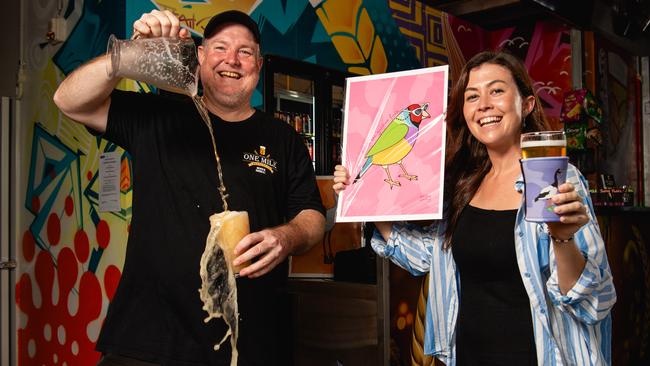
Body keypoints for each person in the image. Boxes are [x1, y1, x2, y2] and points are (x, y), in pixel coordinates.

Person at [54, 9, 325, 366]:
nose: (232, 60)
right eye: (220, 48)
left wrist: (286, 236)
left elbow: (312, 215)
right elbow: (68, 101)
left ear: (258, 64)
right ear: (199, 56)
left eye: (245, 51)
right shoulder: (158, 116)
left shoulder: (283, 139)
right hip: (148, 340)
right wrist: (126, 56)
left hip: (247, 343)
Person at [333, 51, 615, 365]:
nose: (483, 104)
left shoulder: (554, 177)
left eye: (496, 90)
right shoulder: (462, 184)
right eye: (471, 96)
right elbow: (429, 256)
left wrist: (563, 239)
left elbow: (594, 302)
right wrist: (364, 195)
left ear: (528, 104)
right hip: (468, 355)